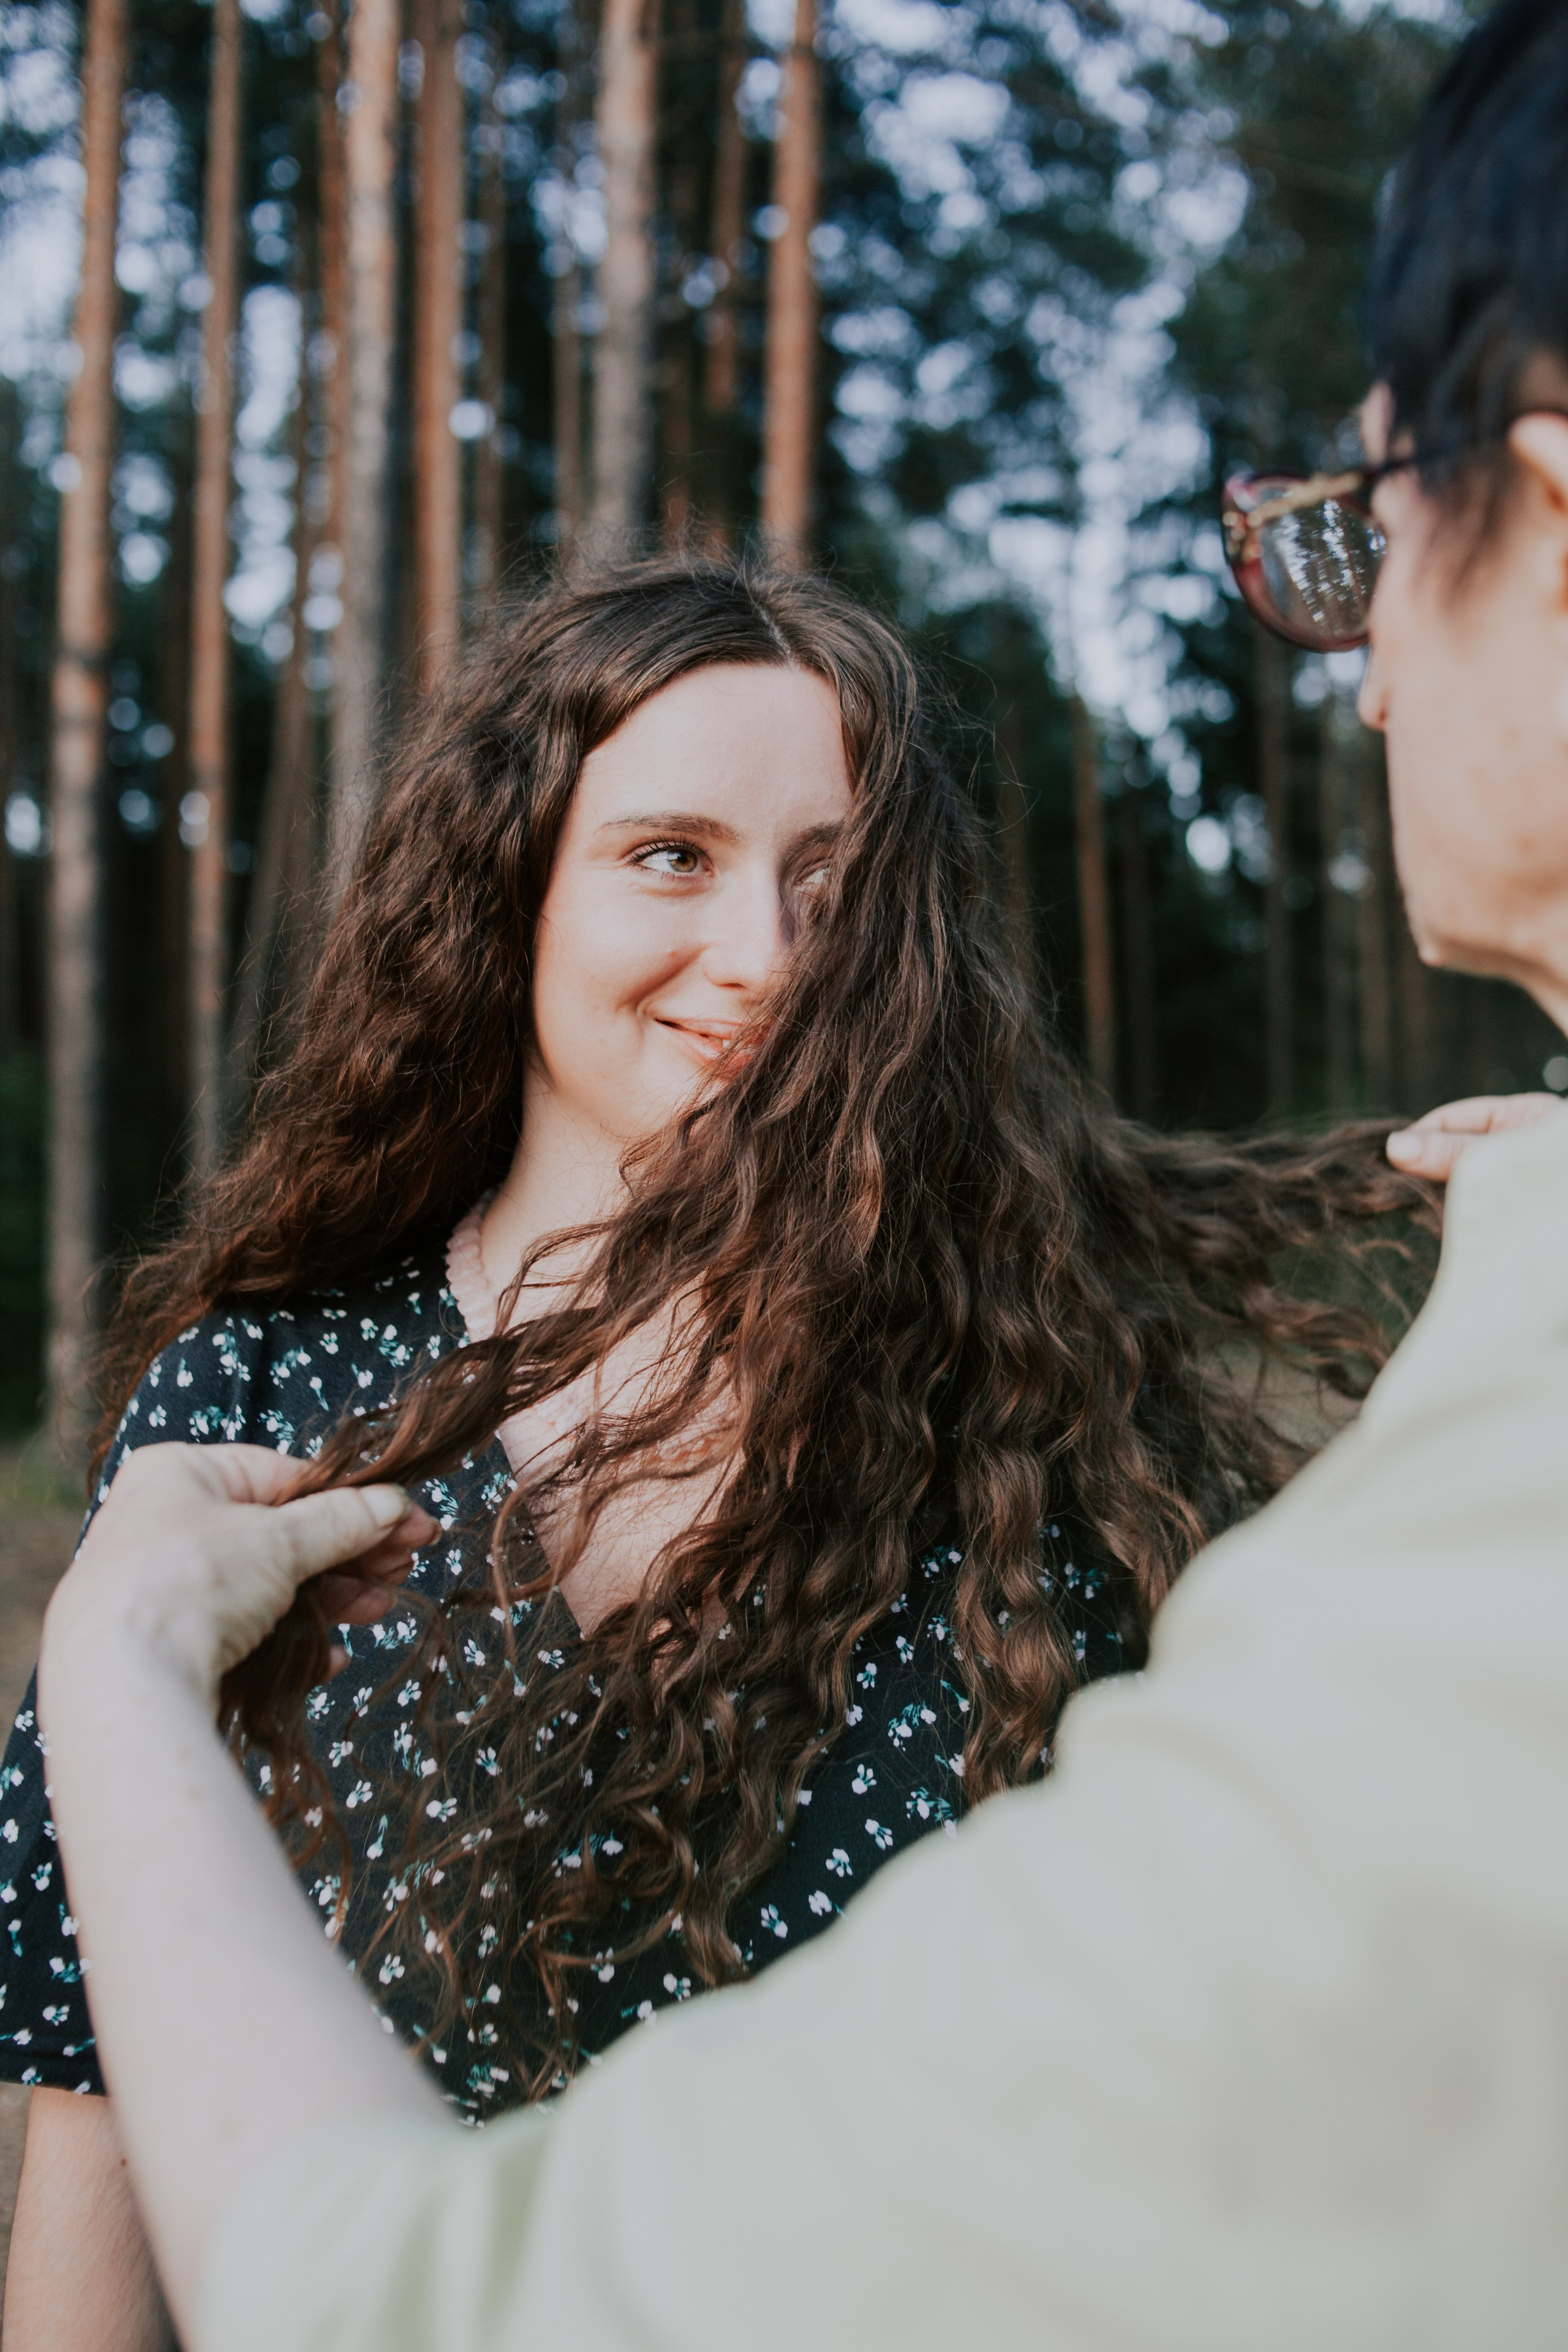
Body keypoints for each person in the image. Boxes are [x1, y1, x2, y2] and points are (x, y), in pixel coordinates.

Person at [26, 0, 1568, 2342]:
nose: (760, 950)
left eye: (836, 879)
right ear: (505, 908)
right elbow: (99, 2099)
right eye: (665, 854)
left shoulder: (1049, 1397)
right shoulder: (265, 1403)